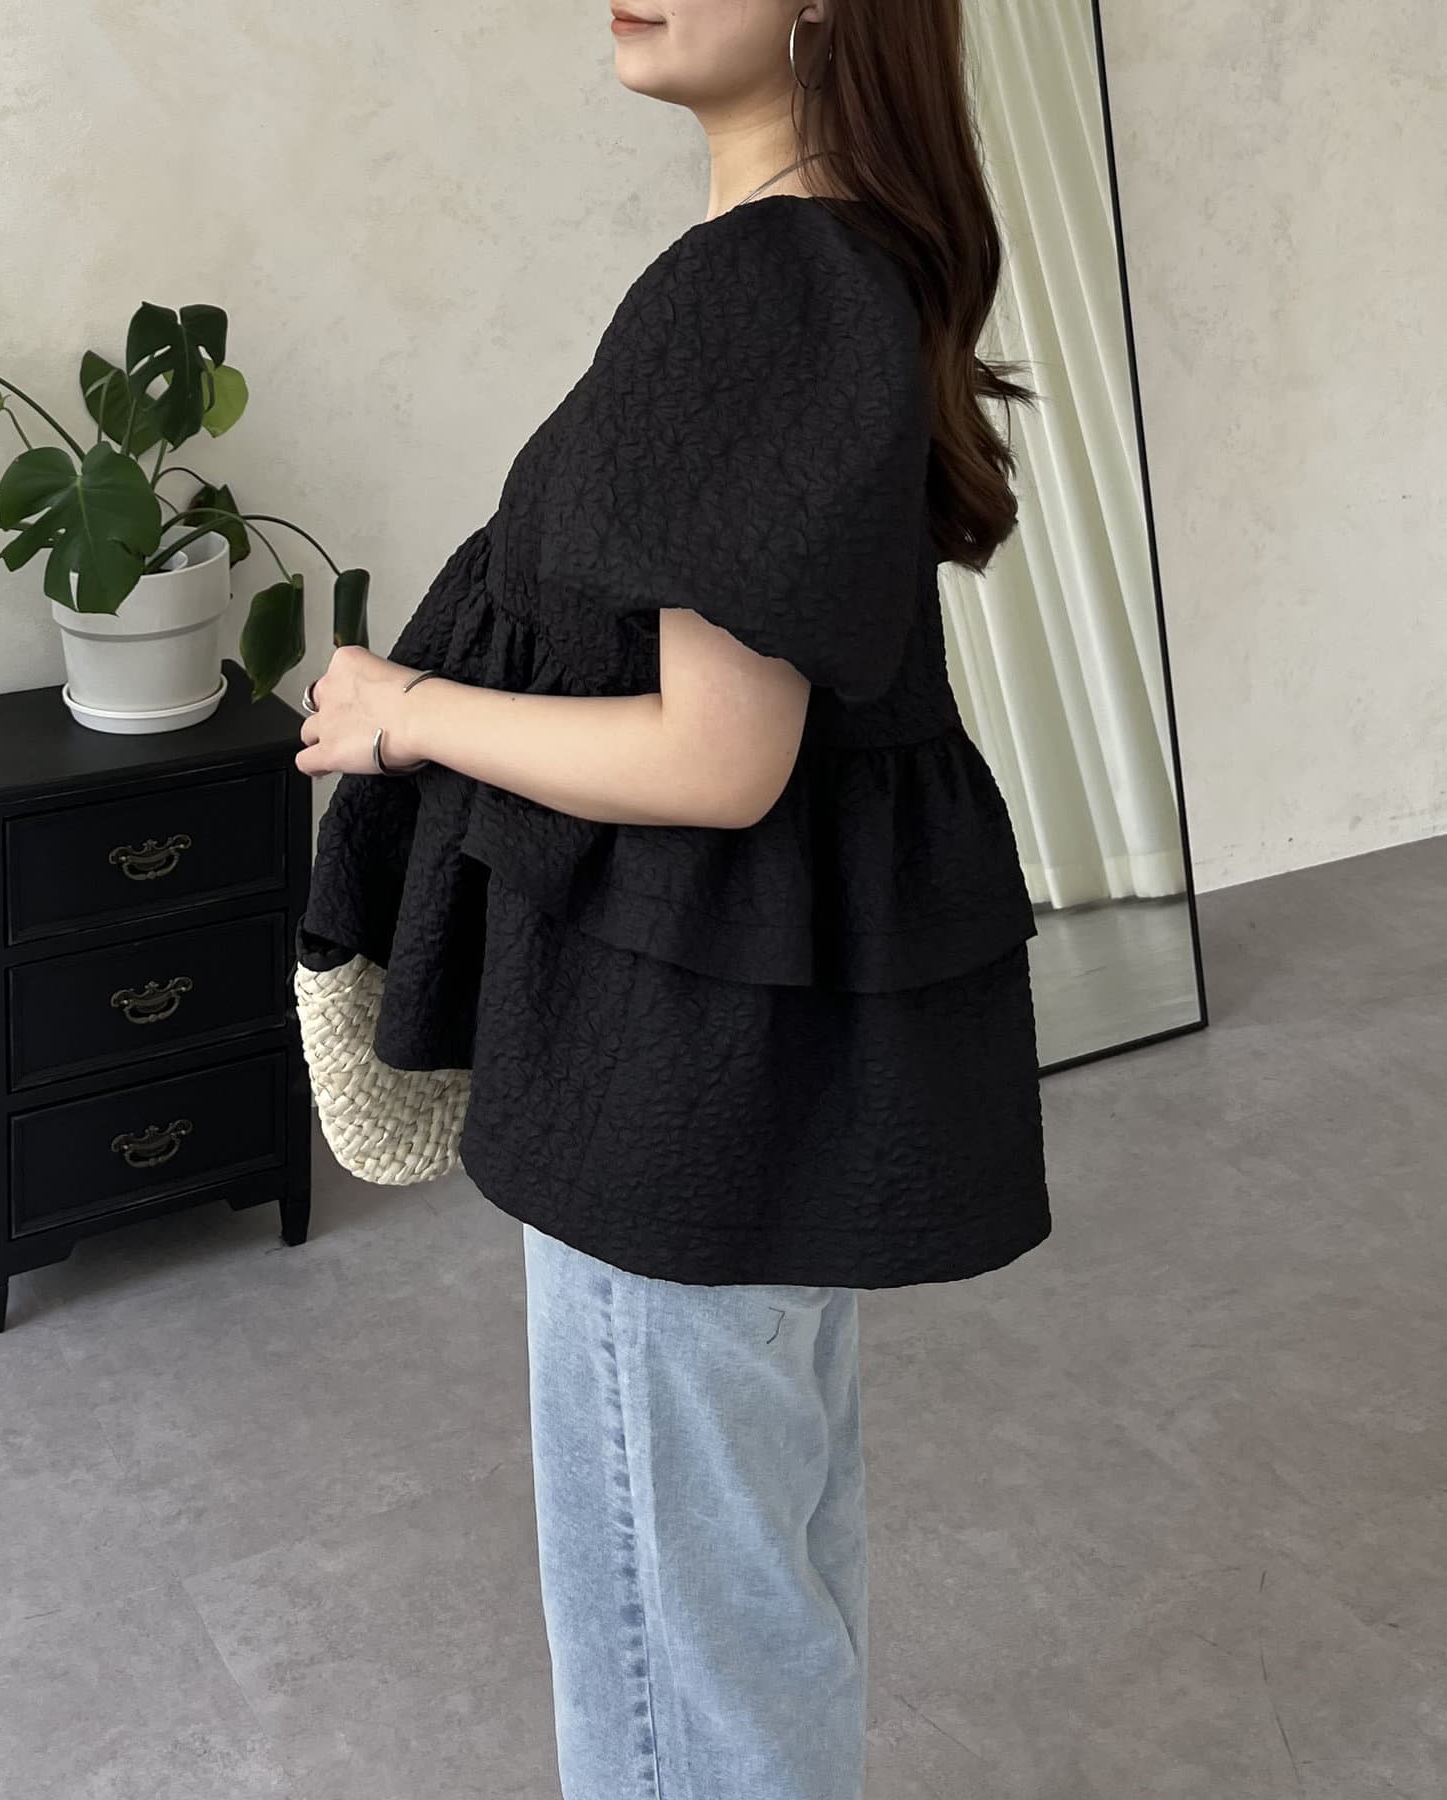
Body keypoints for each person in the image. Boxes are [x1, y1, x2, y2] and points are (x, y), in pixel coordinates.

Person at [294, 1, 1051, 1794]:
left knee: (680, 1648)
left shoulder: (764, 283)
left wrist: (404, 714)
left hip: (673, 1072)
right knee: (755, 1602)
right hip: (737, 1057)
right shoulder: (829, 264)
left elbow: (721, 754)